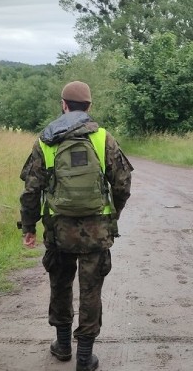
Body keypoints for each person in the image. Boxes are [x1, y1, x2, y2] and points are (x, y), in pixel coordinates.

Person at [19, 81, 133, 371]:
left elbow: (31, 190)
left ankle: (62, 345)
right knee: (91, 290)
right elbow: (122, 183)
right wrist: (113, 215)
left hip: (58, 230)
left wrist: (29, 226)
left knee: (60, 284)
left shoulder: (45, 140)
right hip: (96, 231)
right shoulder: (103, 138)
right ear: (89, 107)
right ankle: (84, 357)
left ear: (64, 104)